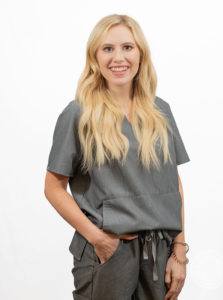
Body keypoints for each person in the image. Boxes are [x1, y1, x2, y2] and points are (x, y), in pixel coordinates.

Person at [44, 14, 190, 300]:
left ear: (140, 54)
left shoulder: (160, 112)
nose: (118, 58)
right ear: (95, 57)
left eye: (127, 47)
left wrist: (180, 250)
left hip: (159, 253)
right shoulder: (78, 114)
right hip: (109, 252)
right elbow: (53, 187)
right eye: (107, 49)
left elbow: (173, 184)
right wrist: (98, 239)